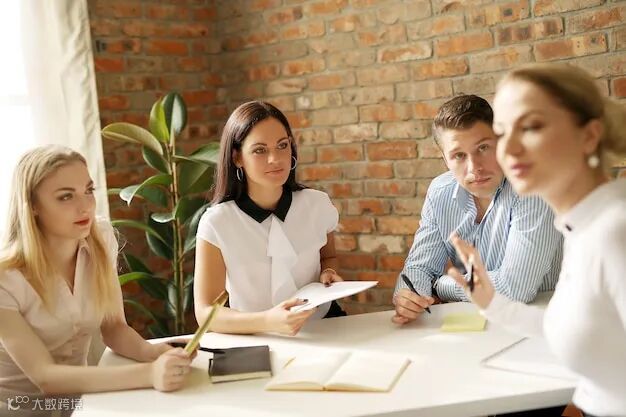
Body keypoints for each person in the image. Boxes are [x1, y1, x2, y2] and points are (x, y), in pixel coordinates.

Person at [448, 63, 626, 417]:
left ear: (589, 136)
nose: (509, 148)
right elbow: (571, 327)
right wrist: (491, 302)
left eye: (530, 127)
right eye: (502, 133)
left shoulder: (614, 232)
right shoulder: (581, 228)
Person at [0, 146, 195, 415]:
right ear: (32, 206)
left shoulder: (100, 238)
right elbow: (46, 377)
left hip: (80, 403)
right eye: (66, 196)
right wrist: (150, 374)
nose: (85, 207)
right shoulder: (6, 279)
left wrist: (155, 353)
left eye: (88, 191)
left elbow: (114, 327)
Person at [393, 94, 563, 325]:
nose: (475, 168)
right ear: (445, 159)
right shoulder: (440, 191)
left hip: (542, 323)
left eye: (483, 148)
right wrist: (409, 297)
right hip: (474, 324)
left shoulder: (531, 186)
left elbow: (515, 288)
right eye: (459, 155)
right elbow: (419, 268)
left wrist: (439, 285)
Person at [193, 101, 345, 336]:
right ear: (237, 157)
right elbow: (206, 313)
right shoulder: (217, 223)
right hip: (257, 337)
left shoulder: (317, 204)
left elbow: (329, 257)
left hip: (325, 328)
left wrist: (329, 273)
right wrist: (267, 321)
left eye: (282, 145)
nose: (275, 158)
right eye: (260, 150)